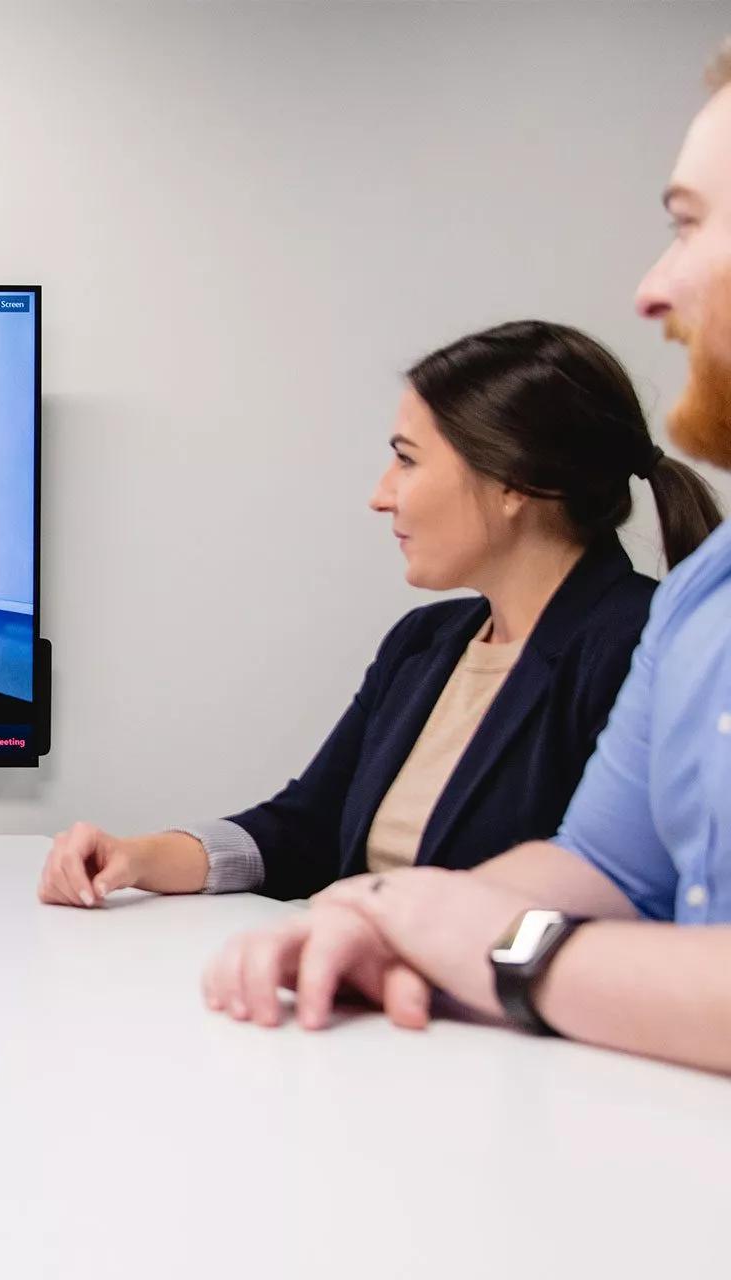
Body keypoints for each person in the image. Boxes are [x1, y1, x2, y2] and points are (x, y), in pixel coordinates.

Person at [202, 43, 731, 1076]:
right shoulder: (702, 601)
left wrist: (488, 948)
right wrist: (382, 914)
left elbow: (537, 927)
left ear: (510, 483)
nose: (651, 288)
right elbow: (601, 867)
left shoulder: (628, 625)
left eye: (691, 225)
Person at [38, 319, 721, 911]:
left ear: (515, 481)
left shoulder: (640, 647)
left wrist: (378, 913)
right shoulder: (426, 642)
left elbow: (618, 897)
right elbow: (308, 827)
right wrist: (141, 857)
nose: (380, 495)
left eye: (406, 461)